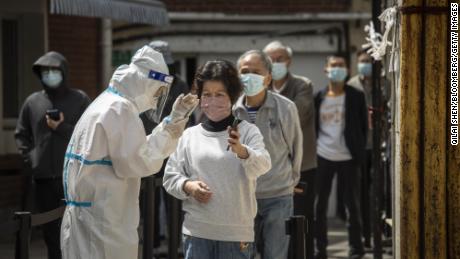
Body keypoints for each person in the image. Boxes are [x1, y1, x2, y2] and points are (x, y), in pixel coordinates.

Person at [59, 45, 198, 259]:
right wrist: (171, 126)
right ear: (146, 80)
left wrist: (172, 121)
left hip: (89, 217)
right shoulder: (119, 109)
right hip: (103, 222)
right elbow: (139, 161)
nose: (157, 96)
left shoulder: (106, 101)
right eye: (158, 89)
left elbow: (133, 150)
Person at [163, 60, 271, 259]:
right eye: (207, 95)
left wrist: (242, 150)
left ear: (232, 96)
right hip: (196, 234)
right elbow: (170, 177)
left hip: (236, 236)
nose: (212, 101)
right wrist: (188, 186)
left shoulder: (247, 131)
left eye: (220, 94)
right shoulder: (189, 135)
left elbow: (263, 165)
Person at [15, 51, 90, 259]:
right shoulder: (33, 102)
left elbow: (89, 134)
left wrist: (61, 127)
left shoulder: (80, 99)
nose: (49, 75)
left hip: (73, 176)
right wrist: (31, 158)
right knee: (49, 231)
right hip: (43, 179)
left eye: (54, 71)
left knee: (75, 228)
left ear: (64, 72)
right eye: (45, 71)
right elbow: (21, 134)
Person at [234, 50, 303, 259]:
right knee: (243, 255)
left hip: (277, 196)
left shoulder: (285, 108)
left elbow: (296, 149)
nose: (250, 76)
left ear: (268, 78)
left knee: (275, 254)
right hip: (242, 197)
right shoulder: (231, 110)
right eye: (245, 71)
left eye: (256, 72)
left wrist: (291, 182)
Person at [263, 40, 316, 259]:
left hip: (301, 165)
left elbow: (298, 115)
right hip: (270, 170)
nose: (275, 63)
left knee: (301, 221)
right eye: (271, 60)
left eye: (280, 59)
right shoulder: (259, 87)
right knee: (272, 227)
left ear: (289, 61)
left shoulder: (302, 85)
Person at [314, 54, 368, 259]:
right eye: (333, 66)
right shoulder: (318, 97)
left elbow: (363, 126)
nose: (337, 69)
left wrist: (359, 150)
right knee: (319, 206)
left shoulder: (356, 96)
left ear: (347, 69)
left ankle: (356, 249)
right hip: (323, 155)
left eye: (341, 66)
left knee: (352, 205)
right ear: (326, 70)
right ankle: (320, 249)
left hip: (348, 157)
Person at [139, 40, 191, 248]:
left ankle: (175, 240)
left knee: (173, 195)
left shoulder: (179, 83)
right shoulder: (142, 81)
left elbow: (188, 116)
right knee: (147, 197)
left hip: (172, 146)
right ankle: (152, 239)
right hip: (147, 145)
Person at [347, 49, 373, 248]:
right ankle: (362, 236)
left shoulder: (383, 83)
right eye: (362, 61)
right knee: (359, 193)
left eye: (368, 61)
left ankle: (374, 233)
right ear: (357, 63)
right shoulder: (351, 86)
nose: (365, 64)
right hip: (358, 148)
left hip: (377, 145)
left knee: (376, 193)